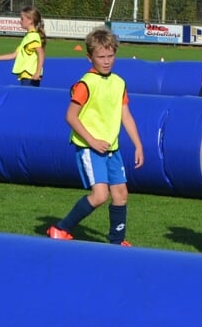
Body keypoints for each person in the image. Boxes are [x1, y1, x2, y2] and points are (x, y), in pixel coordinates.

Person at [48, 27, 144, 245]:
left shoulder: (119, 82)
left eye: (110, 56)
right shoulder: (86, 84)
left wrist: (138, 145)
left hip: (112, 149)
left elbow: (126, 116)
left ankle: (117, 241)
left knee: (121, 194)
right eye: (101, 57)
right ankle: (60, 228)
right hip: (90, 148)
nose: (107, 61)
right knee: (100, 195)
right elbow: (71, 117)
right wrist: (92, 141)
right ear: (89, 57)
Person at [0, 5, 45, 85]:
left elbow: (41, 53)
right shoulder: (28, 36)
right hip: (26, 77)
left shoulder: (33, 36)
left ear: (31, 20)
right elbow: (14, 55)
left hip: (30, 77)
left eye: (22, 19)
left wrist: (37, 72)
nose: (20, 21)